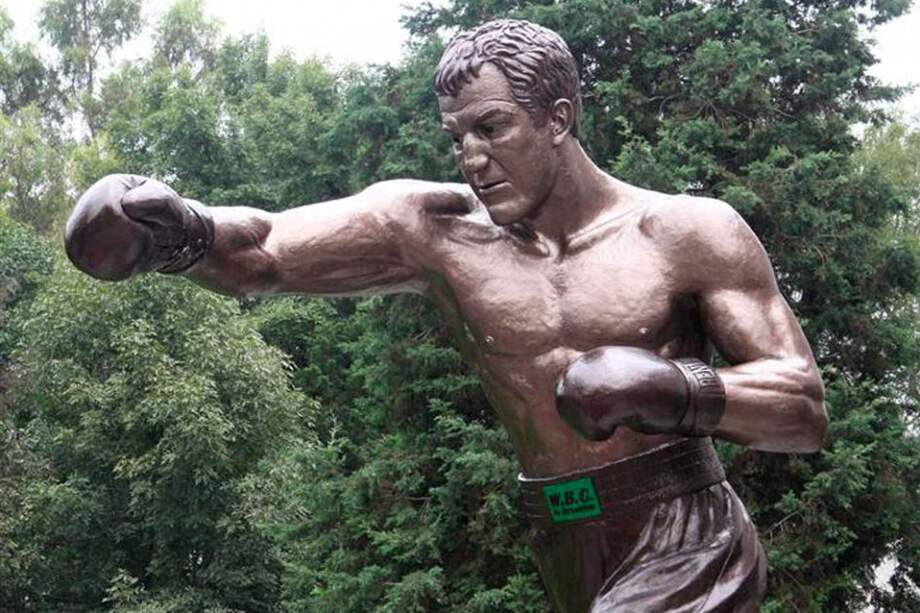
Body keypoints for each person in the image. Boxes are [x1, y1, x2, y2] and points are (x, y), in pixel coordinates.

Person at [65, 19, 827, 613]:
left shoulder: (687, 231)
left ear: (558, 118)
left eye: (492, 128)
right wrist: (177, 232)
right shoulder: (433, 229)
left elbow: (801, 403)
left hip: (684, 529)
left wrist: (673, 389)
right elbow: (264, 251)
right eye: (456, 136)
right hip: (561, 534)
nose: (471, 156)